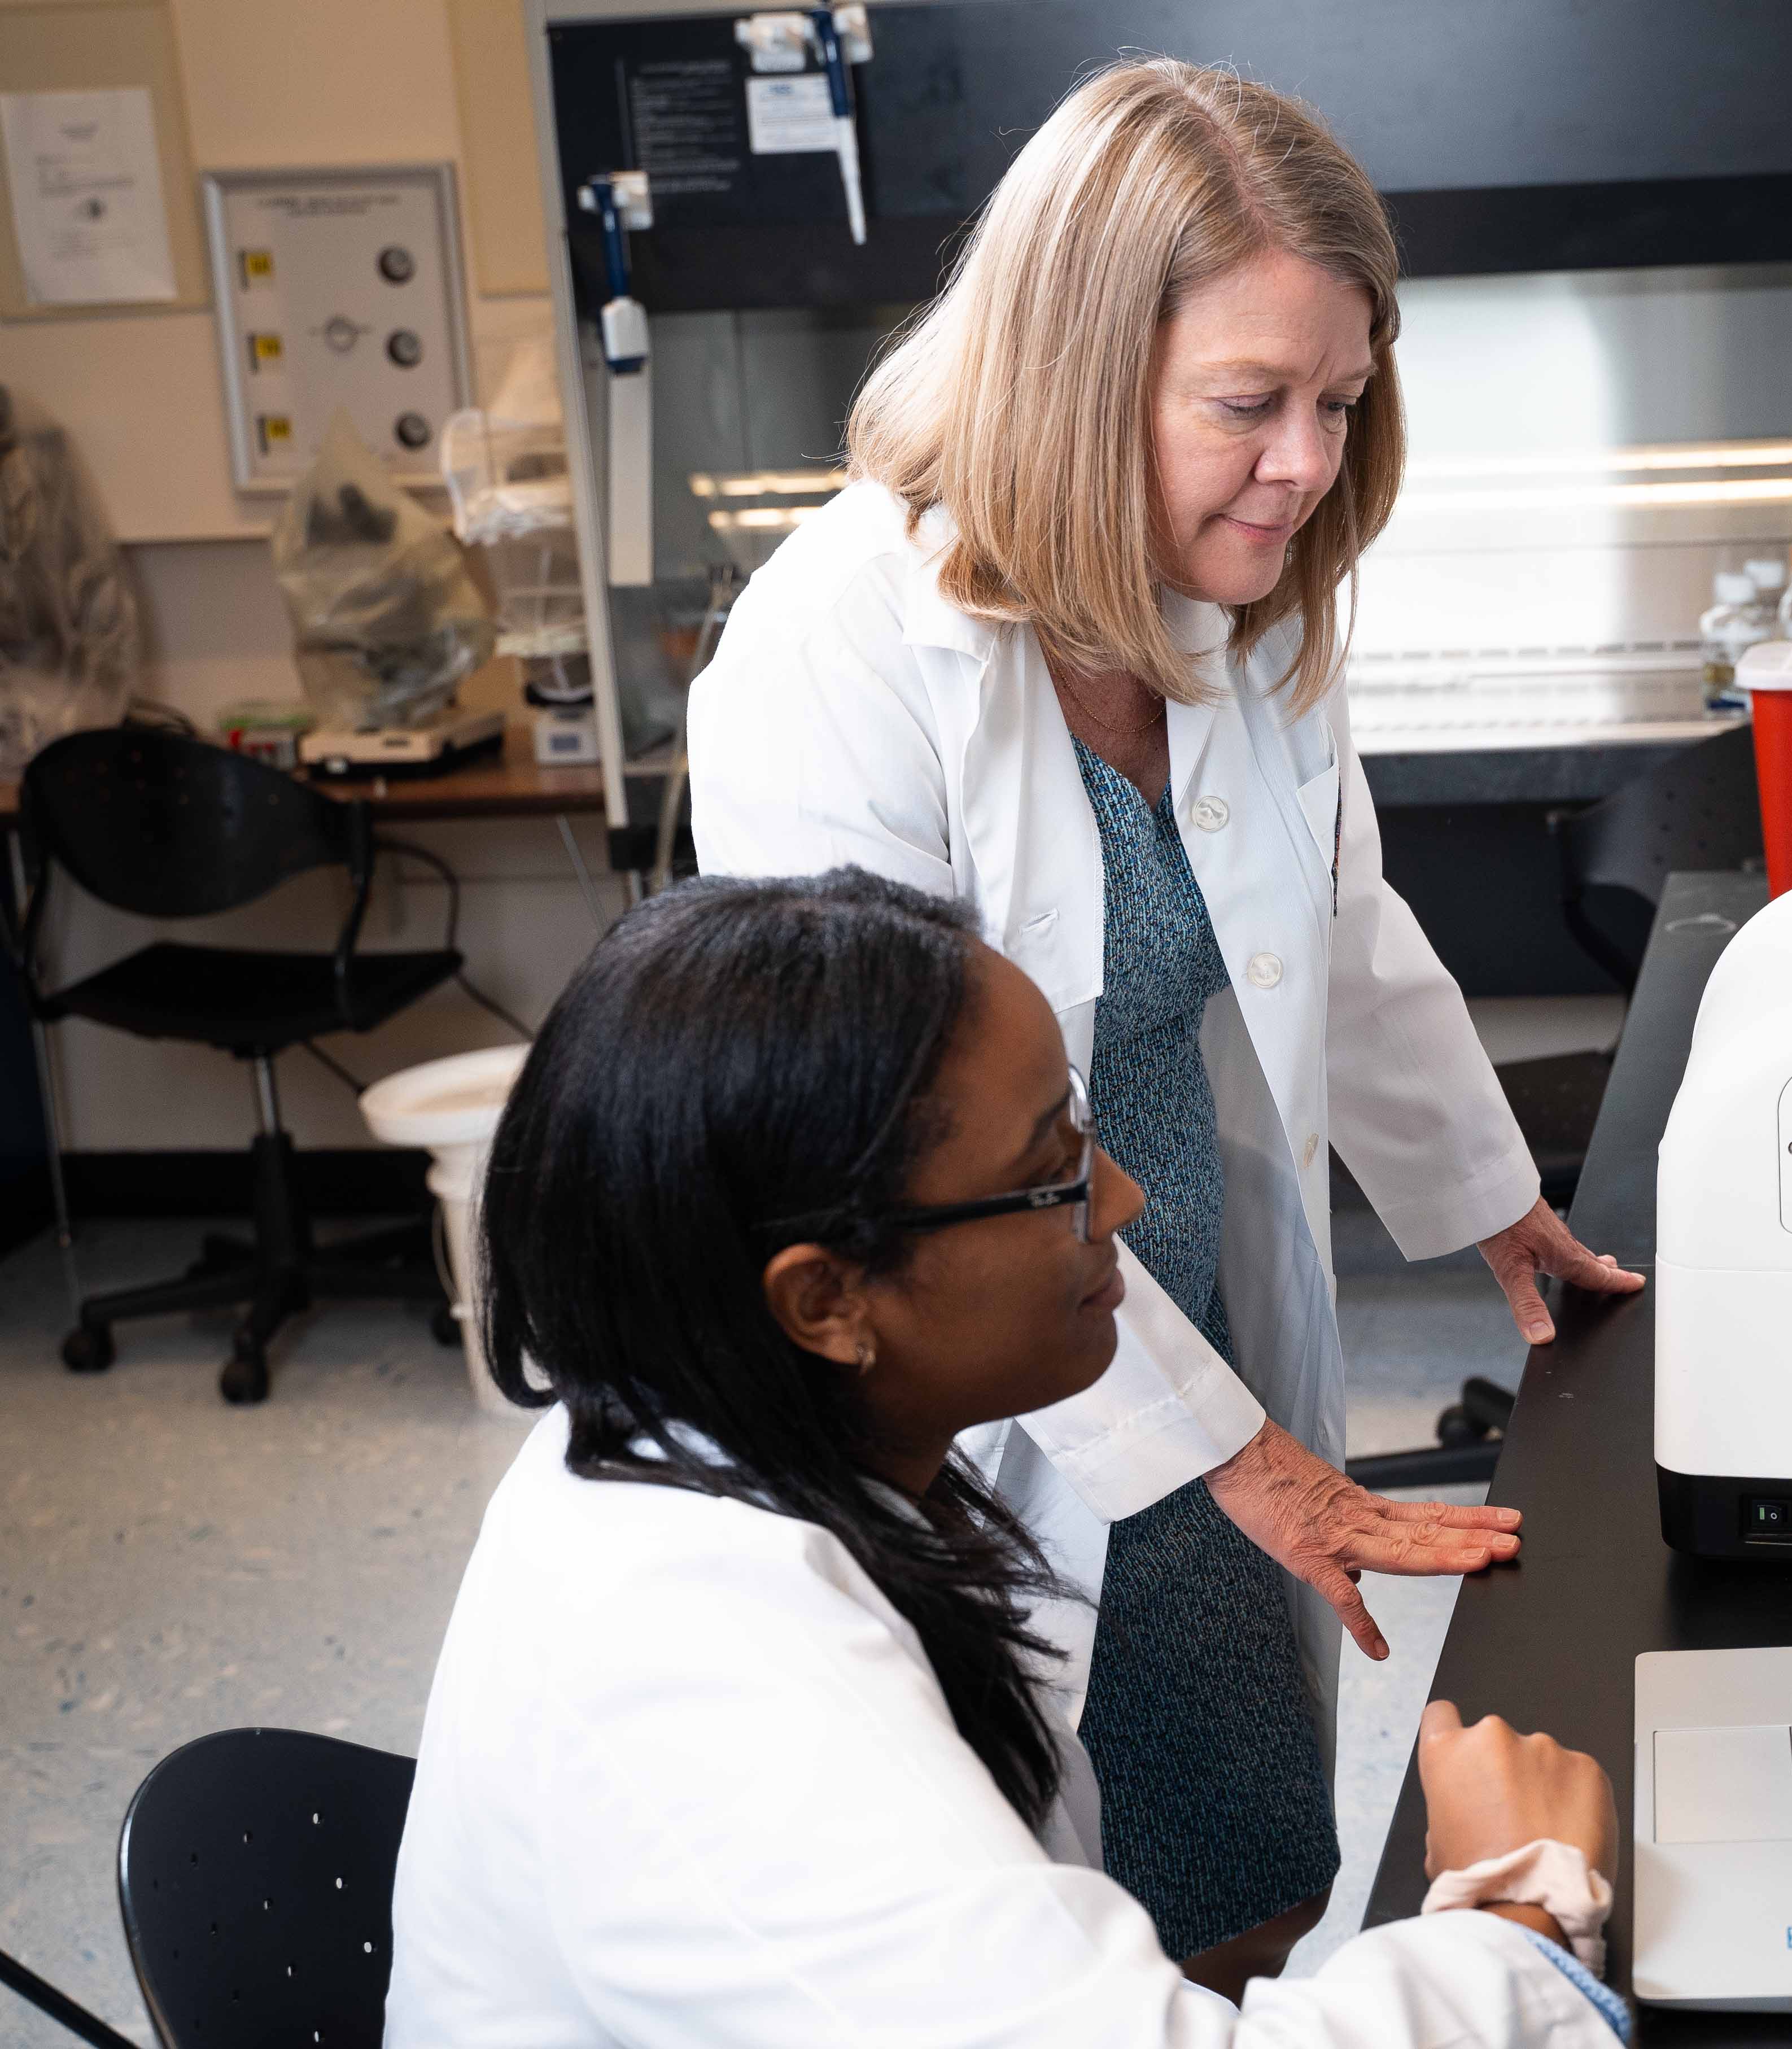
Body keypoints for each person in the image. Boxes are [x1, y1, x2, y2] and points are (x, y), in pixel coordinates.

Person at [687, 58, 1643, 1978]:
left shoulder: (1236, 602)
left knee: (1245, 1860)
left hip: (1177, 1289)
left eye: (1341, 402)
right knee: (1036, 1917)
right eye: (1247, 405)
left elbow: (1343, 930)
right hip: (965, 1374)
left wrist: (1490, 1200)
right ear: (1067, 370)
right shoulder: (843, 651)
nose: (1303, 461)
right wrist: (1228, 1451)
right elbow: (884, 1145)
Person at [385, 869, 1624, 2047]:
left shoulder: (722, 1427)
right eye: (1053, 1176)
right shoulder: (703, 1673)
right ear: (825, 1301)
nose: (1126, 1202)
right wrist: (1517, 1909)